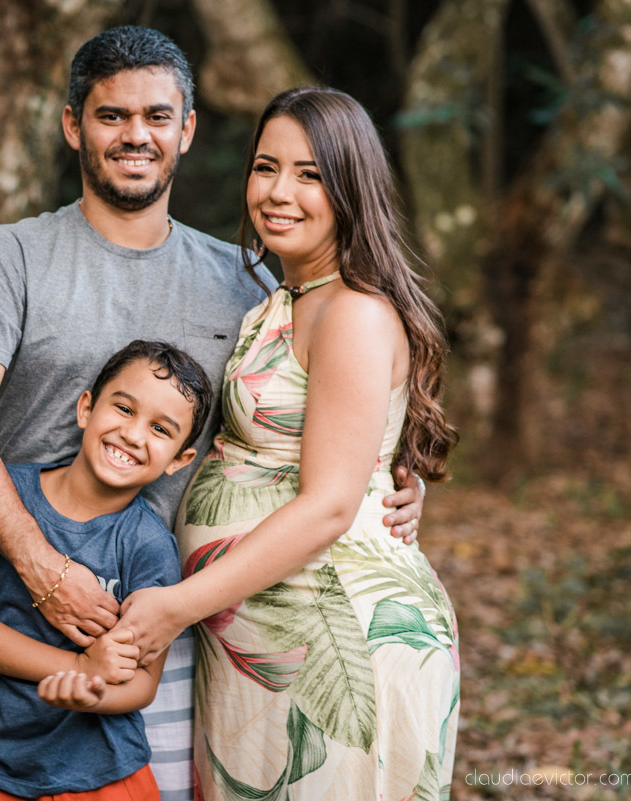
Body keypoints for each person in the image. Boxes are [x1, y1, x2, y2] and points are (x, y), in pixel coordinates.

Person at [0, 27, 425, 801]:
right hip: (24, 614)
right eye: (111, 115)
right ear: (73, 126)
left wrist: (389, 486)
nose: (136, 135)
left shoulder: (247, 280)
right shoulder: (12, 256)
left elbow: (312, 417)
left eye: (156, 116)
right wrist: (44, 571)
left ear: (186, 129)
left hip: (190, 622)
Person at [114, 87, 460, 801]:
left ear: (351, 189)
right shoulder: (285, 298)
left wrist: (177, 605)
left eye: (310, 175)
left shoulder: (352, 313)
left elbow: (330, 504)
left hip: (336, 645)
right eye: (265, 167)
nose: (278, 192)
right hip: (263, 641)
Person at [0, 341, 213, 801]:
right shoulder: (2, 500)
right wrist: (77, 666)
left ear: (180, 460)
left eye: (160, 429)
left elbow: (142, 683)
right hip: (1, 773)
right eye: (124, 408)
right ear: (86, 408)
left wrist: (94, 692)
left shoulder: (149, 545)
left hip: (108, 780)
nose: (133, 434)